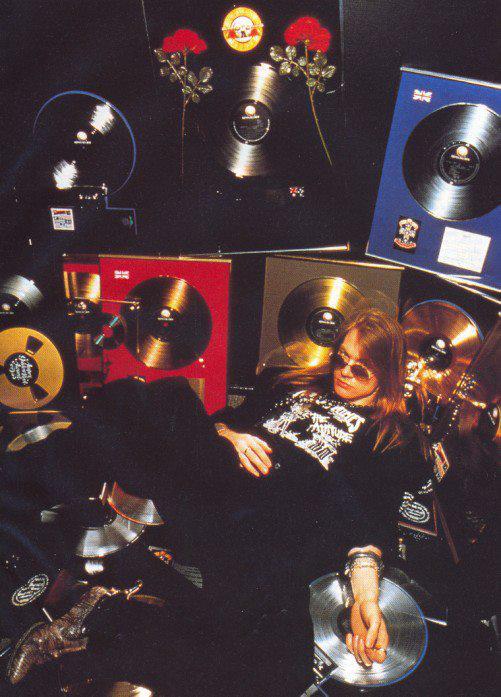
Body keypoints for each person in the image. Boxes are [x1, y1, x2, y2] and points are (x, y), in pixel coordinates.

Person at [1, 308, 430, 693]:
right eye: (341, 359)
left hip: (266, 519)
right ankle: (13, 483)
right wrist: (231, 436)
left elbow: (370, 516)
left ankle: (89, 620)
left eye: (360, 370)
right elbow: (220, 421)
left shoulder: (392, 436)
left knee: (264, 662)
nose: (344, 373)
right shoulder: (292, 385)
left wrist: (366, 598)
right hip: (212, 475)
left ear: (386, 376)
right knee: (147, 397)